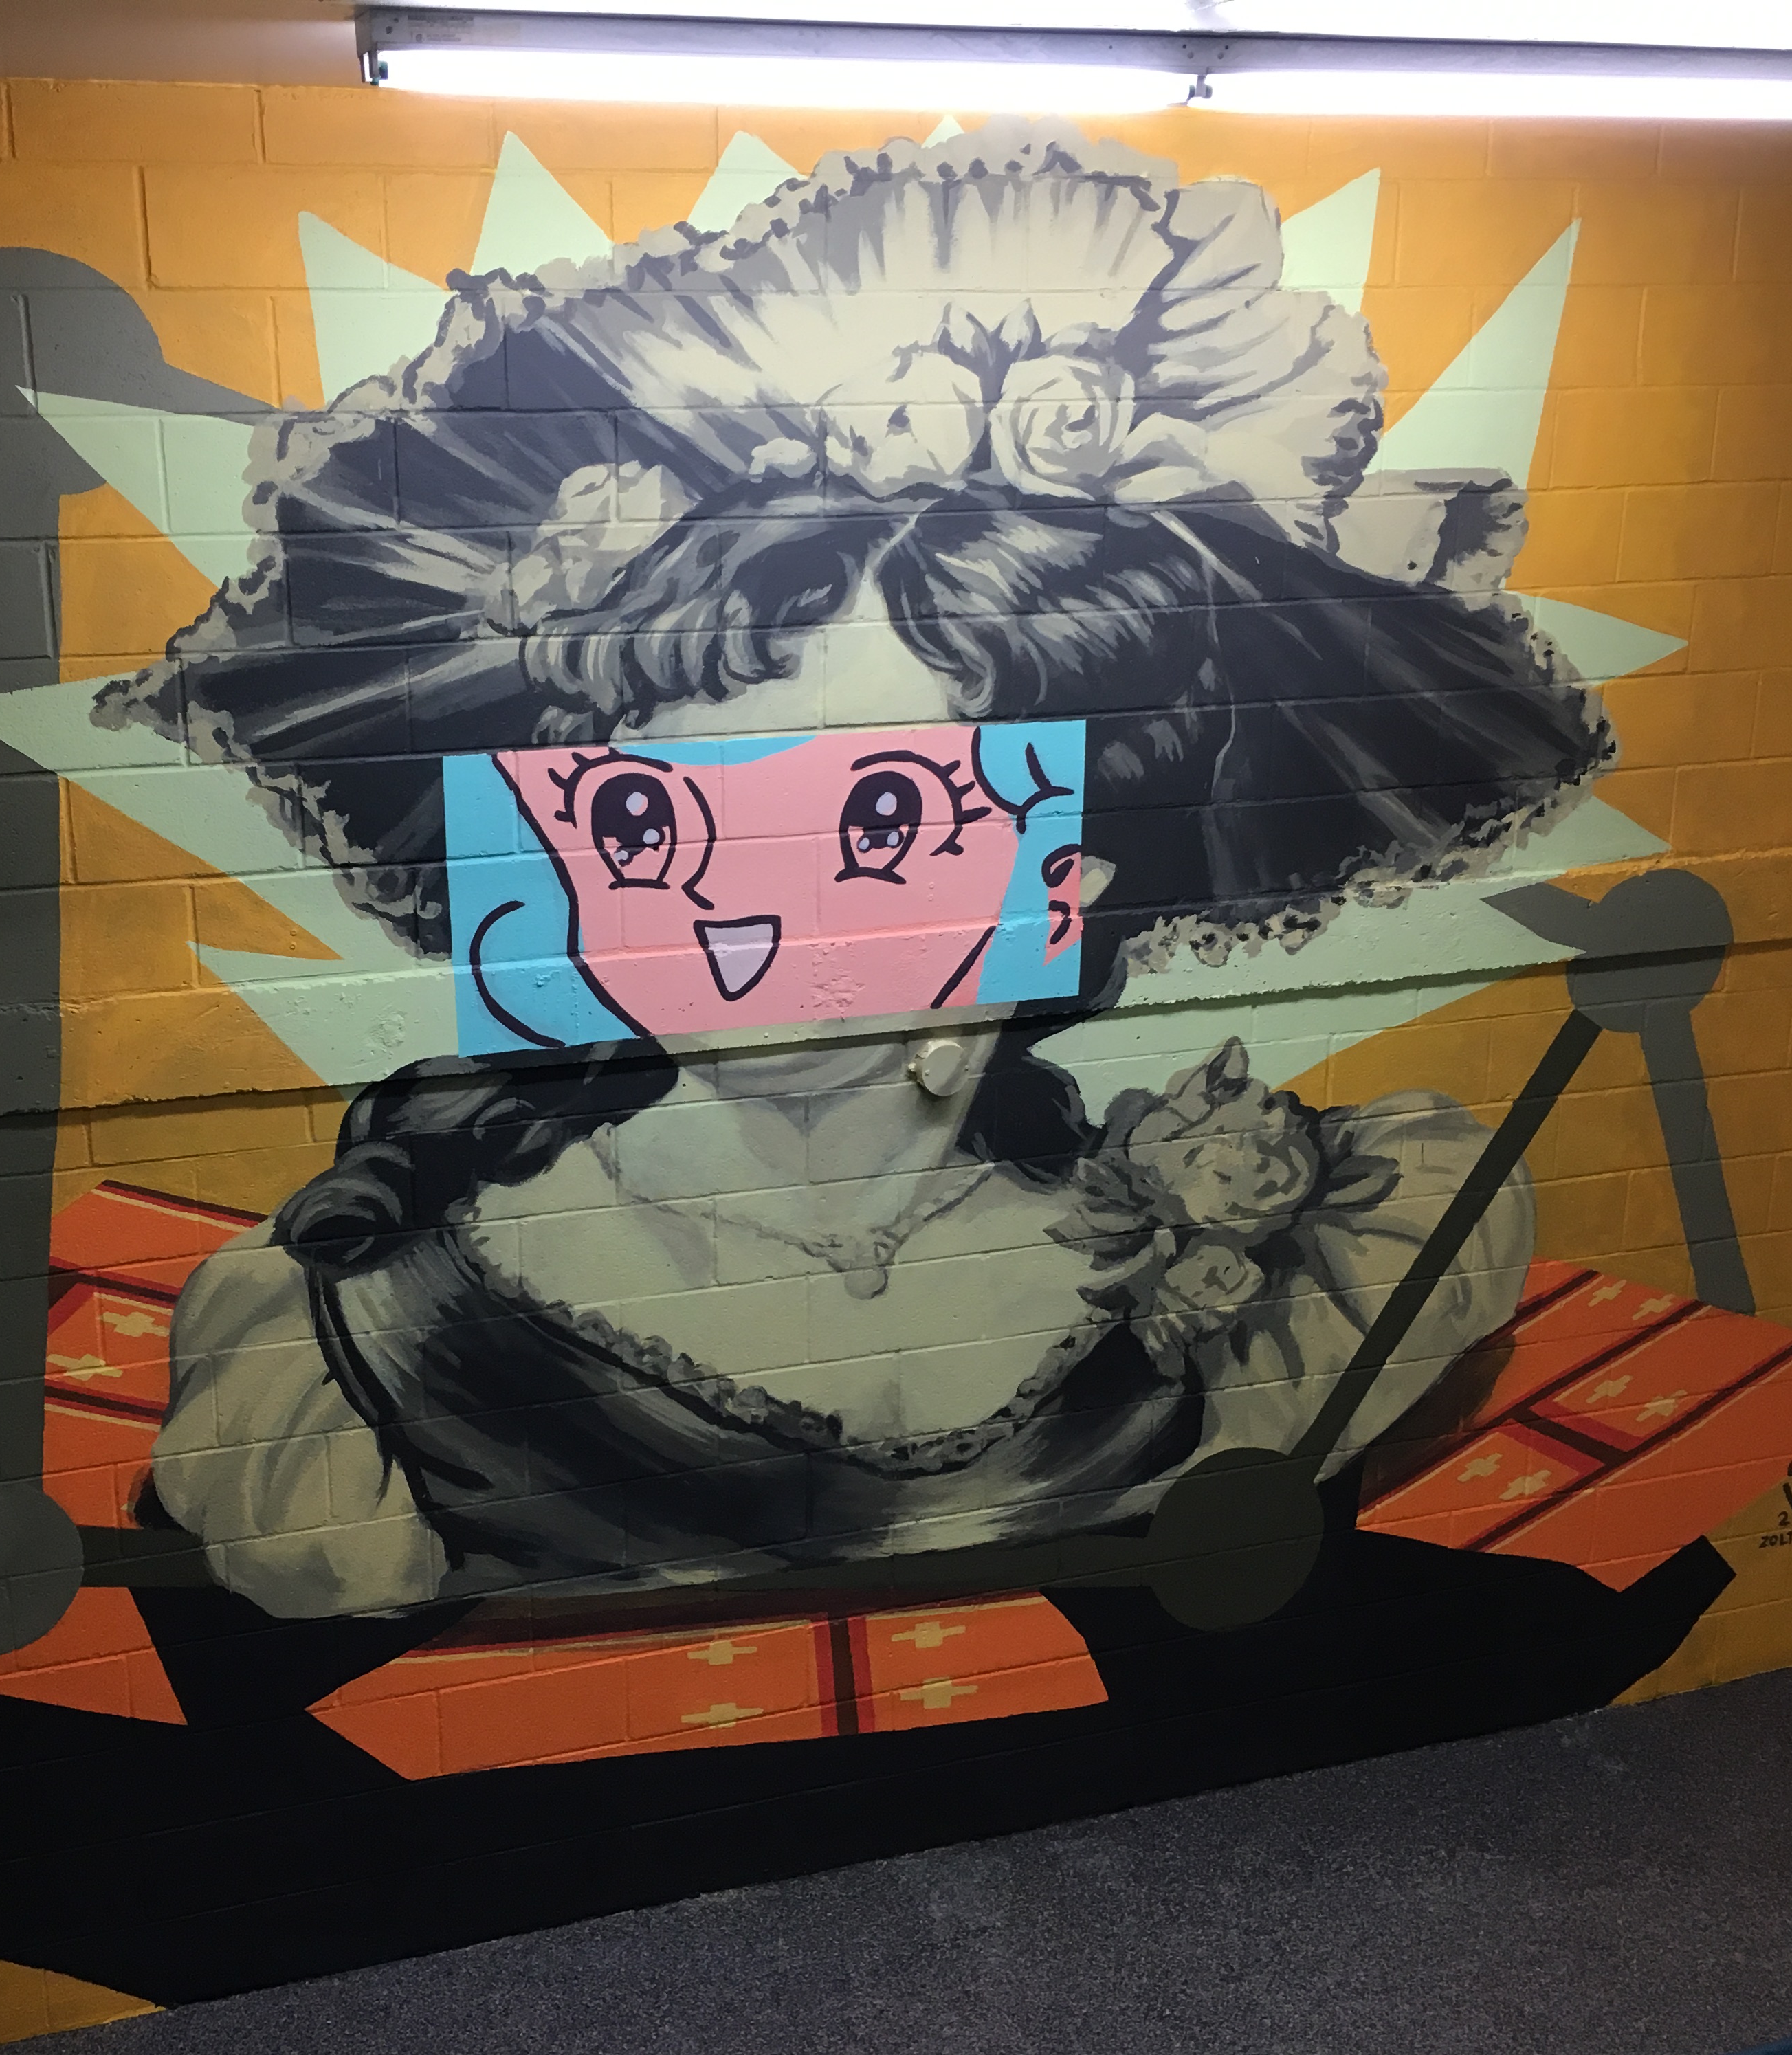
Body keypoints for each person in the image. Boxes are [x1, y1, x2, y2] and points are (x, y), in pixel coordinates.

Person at [88, 121, 1615, 1624]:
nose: (730, 903)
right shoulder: (360, 1331)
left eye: (876, 819)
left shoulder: (1248, 1254)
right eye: (647, 821)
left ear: (1065, 879)